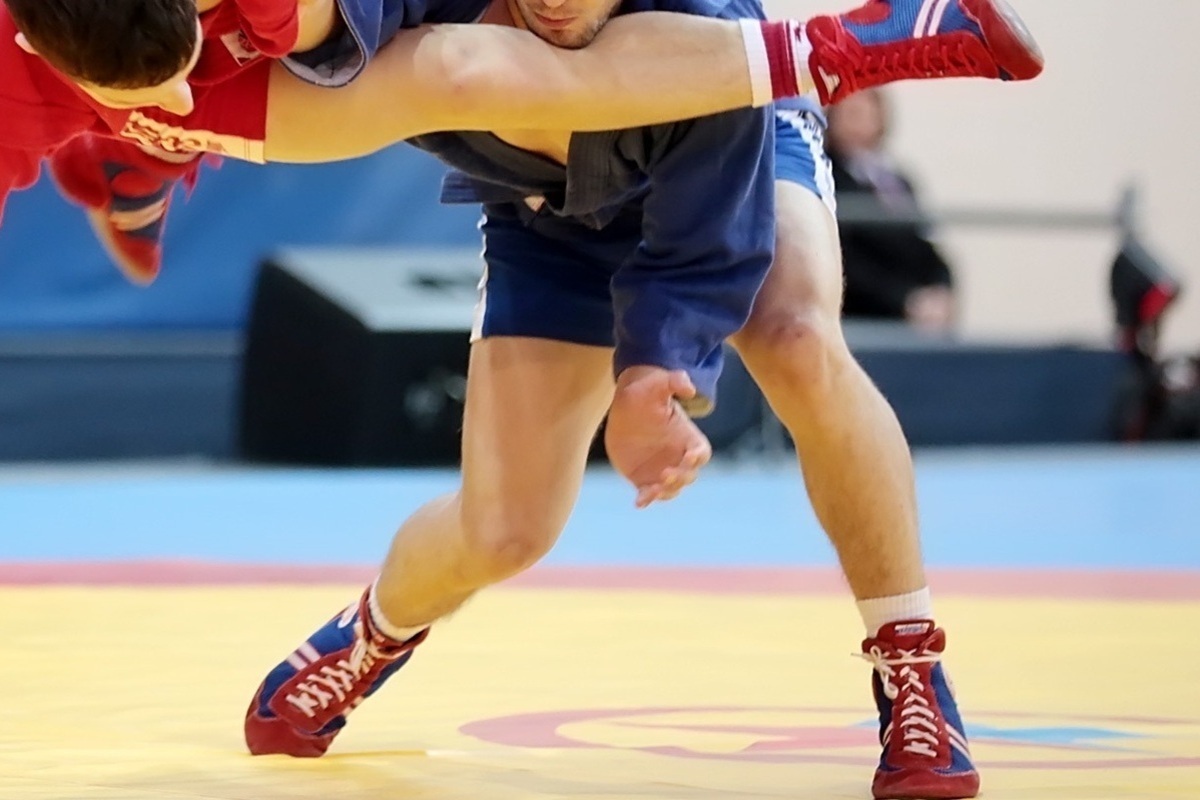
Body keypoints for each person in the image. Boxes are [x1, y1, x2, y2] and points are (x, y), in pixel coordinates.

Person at [238, 3, 1043, 800]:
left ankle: (910, 664)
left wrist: (653, 371)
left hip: (730, 142)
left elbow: (709, 241)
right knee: (503, 529)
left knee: (796, 338)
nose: (554, 3)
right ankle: (373, 632)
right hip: (550, 203)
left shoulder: (706, 23)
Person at [0, 0, 1044, 280]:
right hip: (76, 76)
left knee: (461, 69)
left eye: (189, 46)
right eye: (144, 94)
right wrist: (155, 97)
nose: (181, 86)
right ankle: (137, 146)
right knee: (170, 101)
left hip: (268, 40)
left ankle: (842, 46)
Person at [825, 88, 957, 330]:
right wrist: (904, 301)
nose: (860, 123)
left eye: (868, 114)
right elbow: (845, 259)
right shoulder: (827, 178)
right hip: (863, 319)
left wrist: (941, 289)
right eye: (851, 114)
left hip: (913, 319)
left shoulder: (897, 179)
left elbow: (923, 243)